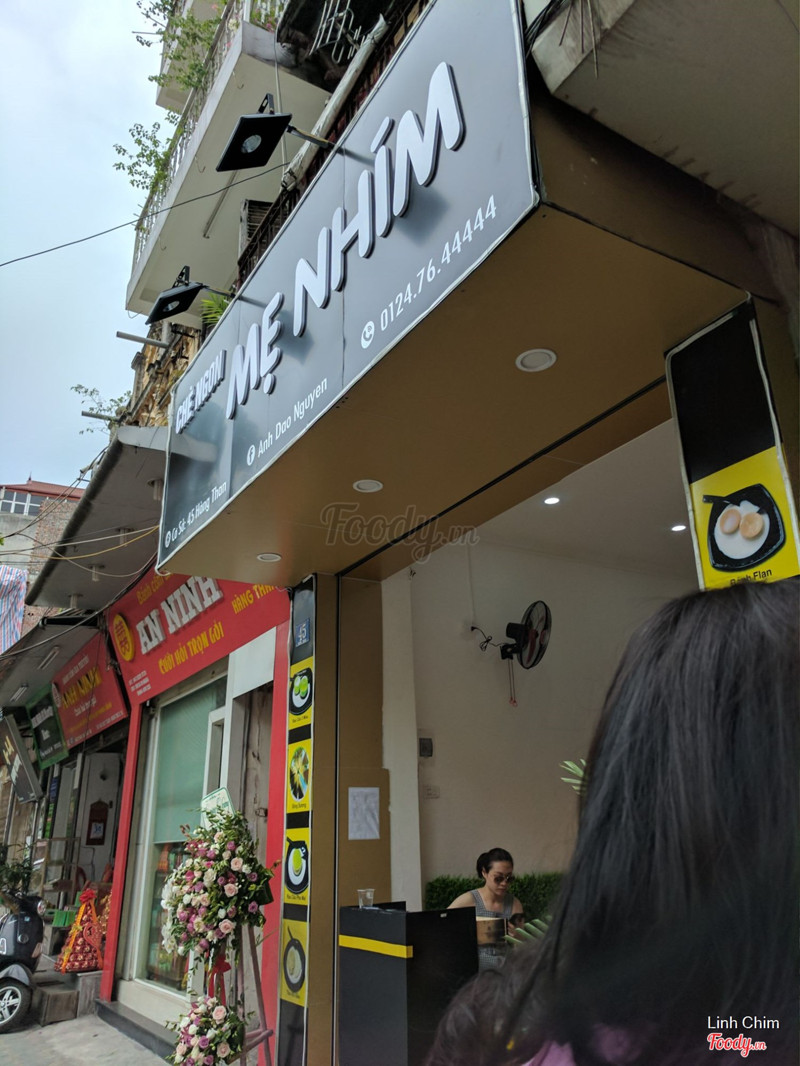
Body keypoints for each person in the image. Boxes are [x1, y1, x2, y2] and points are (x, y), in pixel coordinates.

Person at [427, 578, 799, 1065]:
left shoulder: (533, 1018)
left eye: (508, 875)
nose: (505, 881)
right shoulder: (743, 1035)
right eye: (498, 875)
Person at [449, 847, 524, 971]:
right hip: (474, 971)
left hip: (504, 972)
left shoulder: (514, 904)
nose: (504, 883)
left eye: (509, 878)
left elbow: (521, 947)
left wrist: (517, 936)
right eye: (498, 878)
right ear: (484, 872)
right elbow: (443, 927)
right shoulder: (469, 900)